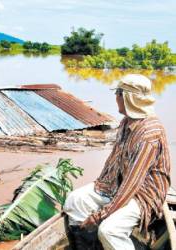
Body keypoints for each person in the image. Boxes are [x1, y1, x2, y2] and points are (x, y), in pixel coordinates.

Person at [63, 74, 171, 250]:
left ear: (127, 97)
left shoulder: (148, 134)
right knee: (75, 200)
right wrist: (100, 184)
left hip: (143, 193)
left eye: (118, 93)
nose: (115, 98)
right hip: (118, 184)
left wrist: (101, 214)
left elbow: (133, 184)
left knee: (109, 230)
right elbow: (113, 160)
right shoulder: (125, 122)